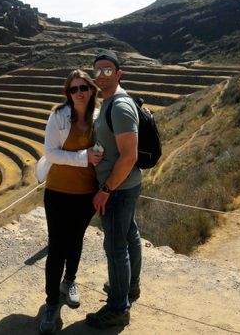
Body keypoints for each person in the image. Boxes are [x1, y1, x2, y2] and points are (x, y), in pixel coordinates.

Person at [35, 69, 102, 334]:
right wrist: (83, 157)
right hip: (58, 193)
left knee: (76, 241)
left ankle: (69, 281)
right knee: (57, 248)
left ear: (91, 90)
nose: (78, 93)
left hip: (86, 194)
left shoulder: (99, 117)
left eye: (83, 87)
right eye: (73, 89)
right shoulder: (58, 116)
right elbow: (50, 152)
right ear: (68, 93)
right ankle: (52, 304)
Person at [85, 49, 142, 329]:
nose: (101, 75)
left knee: (115, 247)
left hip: (118, 189)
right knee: (130, 235)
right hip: (123, 186)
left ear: (118, 74)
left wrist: (105, 189)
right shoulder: (109, 102)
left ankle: (118, 308)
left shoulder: (119, 106)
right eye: (97, 70)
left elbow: (129, 156)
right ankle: (129, 288)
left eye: (107, 70)